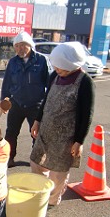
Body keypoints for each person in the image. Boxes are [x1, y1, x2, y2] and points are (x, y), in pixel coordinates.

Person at [30, 41, 95, 207]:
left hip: (66, 136)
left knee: (58, 172)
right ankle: (39, 192)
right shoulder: (55, 76)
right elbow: (45, 101)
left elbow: (87, 115)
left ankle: (51, 201)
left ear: (71, 64)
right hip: (46, 129)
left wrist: (79, 141)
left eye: (60, 67)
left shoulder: (85, 82)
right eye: (56, 66)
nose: (57, 69)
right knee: (37, 162)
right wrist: (37, 121)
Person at [0, 32, 51, 168]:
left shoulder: (41, 60)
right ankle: (9, 158)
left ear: (30, 45)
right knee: (11, 133)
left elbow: (50, 84)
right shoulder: (13, 62)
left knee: (37, 135)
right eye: (16, 46)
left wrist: (48, 104)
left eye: (22, 45)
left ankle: (37, 160)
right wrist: (3, 102)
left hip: (36, 106)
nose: (19, 49)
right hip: (16, 104)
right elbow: (7, 84)